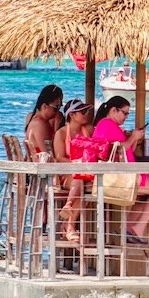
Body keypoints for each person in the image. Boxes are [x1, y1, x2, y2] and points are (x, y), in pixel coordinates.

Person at [92, 95, 149, 245]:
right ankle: (138, 228)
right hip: (123, 176)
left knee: (143, 196)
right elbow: (118, 149)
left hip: (124, 174)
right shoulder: (107, 124)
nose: (126, 117)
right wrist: (132, 138)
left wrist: (134, 137)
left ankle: (128, 228)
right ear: (113, 110)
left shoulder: (108, 125)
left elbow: (126, 148)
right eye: (124, 113)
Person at [53, 99, 95, 243]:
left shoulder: (88, 130)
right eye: (83, 112)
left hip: (85, 174)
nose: (86, 114)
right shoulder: (62, 133)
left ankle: (68, 208)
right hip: (67, 174)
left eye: (87, 111)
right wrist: (76, 163)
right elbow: (59, 157)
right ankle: (69, 224)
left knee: (88, 184)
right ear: (72, 114)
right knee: (81, 180)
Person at [25, 83, 64, 158]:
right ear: (44, 106)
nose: (58, 111)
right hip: (41, 166)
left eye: (60, 107)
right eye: (56, 108)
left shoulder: (31, 117)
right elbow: (48, 154)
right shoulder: (40, 124)